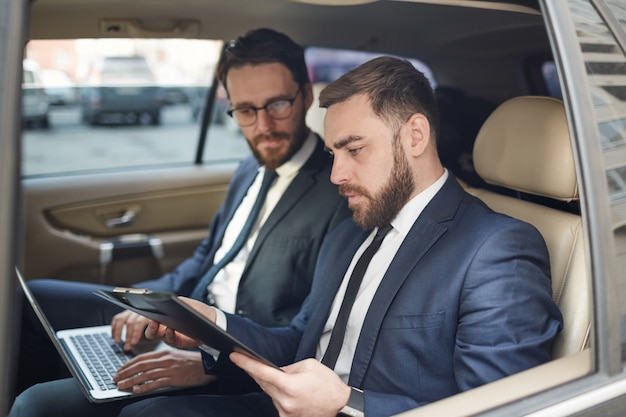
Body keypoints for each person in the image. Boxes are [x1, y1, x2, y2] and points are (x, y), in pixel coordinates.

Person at [118, 56, 564, 417]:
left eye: (354, 150)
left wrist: (346, 405)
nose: (336, 174)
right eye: (333, 153)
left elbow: (500, 409)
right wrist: (213, 326)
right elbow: (298, 344)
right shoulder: (352, 231)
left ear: (415, 135)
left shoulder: (495, 248)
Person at [9, 28, 351, 417]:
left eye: (277, 105)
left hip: (238, 358)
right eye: (245, 110)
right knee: (28, 299)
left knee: (36, 406)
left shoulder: (339, 190)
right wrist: (148, 302)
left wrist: (209, 364)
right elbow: (205, 259)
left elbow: (304, 336)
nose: (263, 127)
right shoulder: (247, 170)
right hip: (183, 324)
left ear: (306, 95)